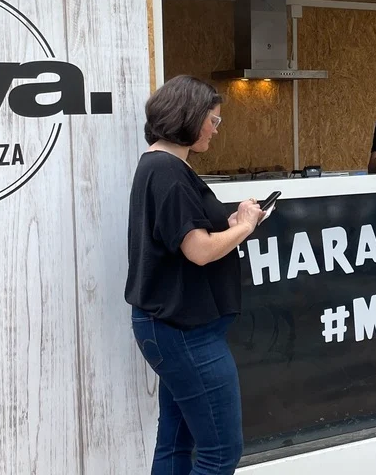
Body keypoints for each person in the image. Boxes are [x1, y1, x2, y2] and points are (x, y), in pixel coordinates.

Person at [125, 75, 265, 474]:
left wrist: (231, 224)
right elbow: (199, 250)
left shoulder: (160, 167)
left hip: (170, 326)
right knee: (220, 452)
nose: (216, 130)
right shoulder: (168, 172)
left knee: (175, 443)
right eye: (213, 120)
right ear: (189, 117)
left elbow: (187, 237)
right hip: (184, 332)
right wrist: (245, 226)